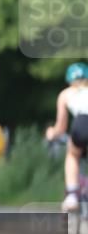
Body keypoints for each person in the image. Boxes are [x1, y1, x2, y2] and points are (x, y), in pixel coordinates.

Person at [46, 62, 88, 212]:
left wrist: (52, 133)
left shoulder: (66, 94)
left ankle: (72, 195)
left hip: (82, 123)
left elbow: (61, 127)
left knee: (72, 154)